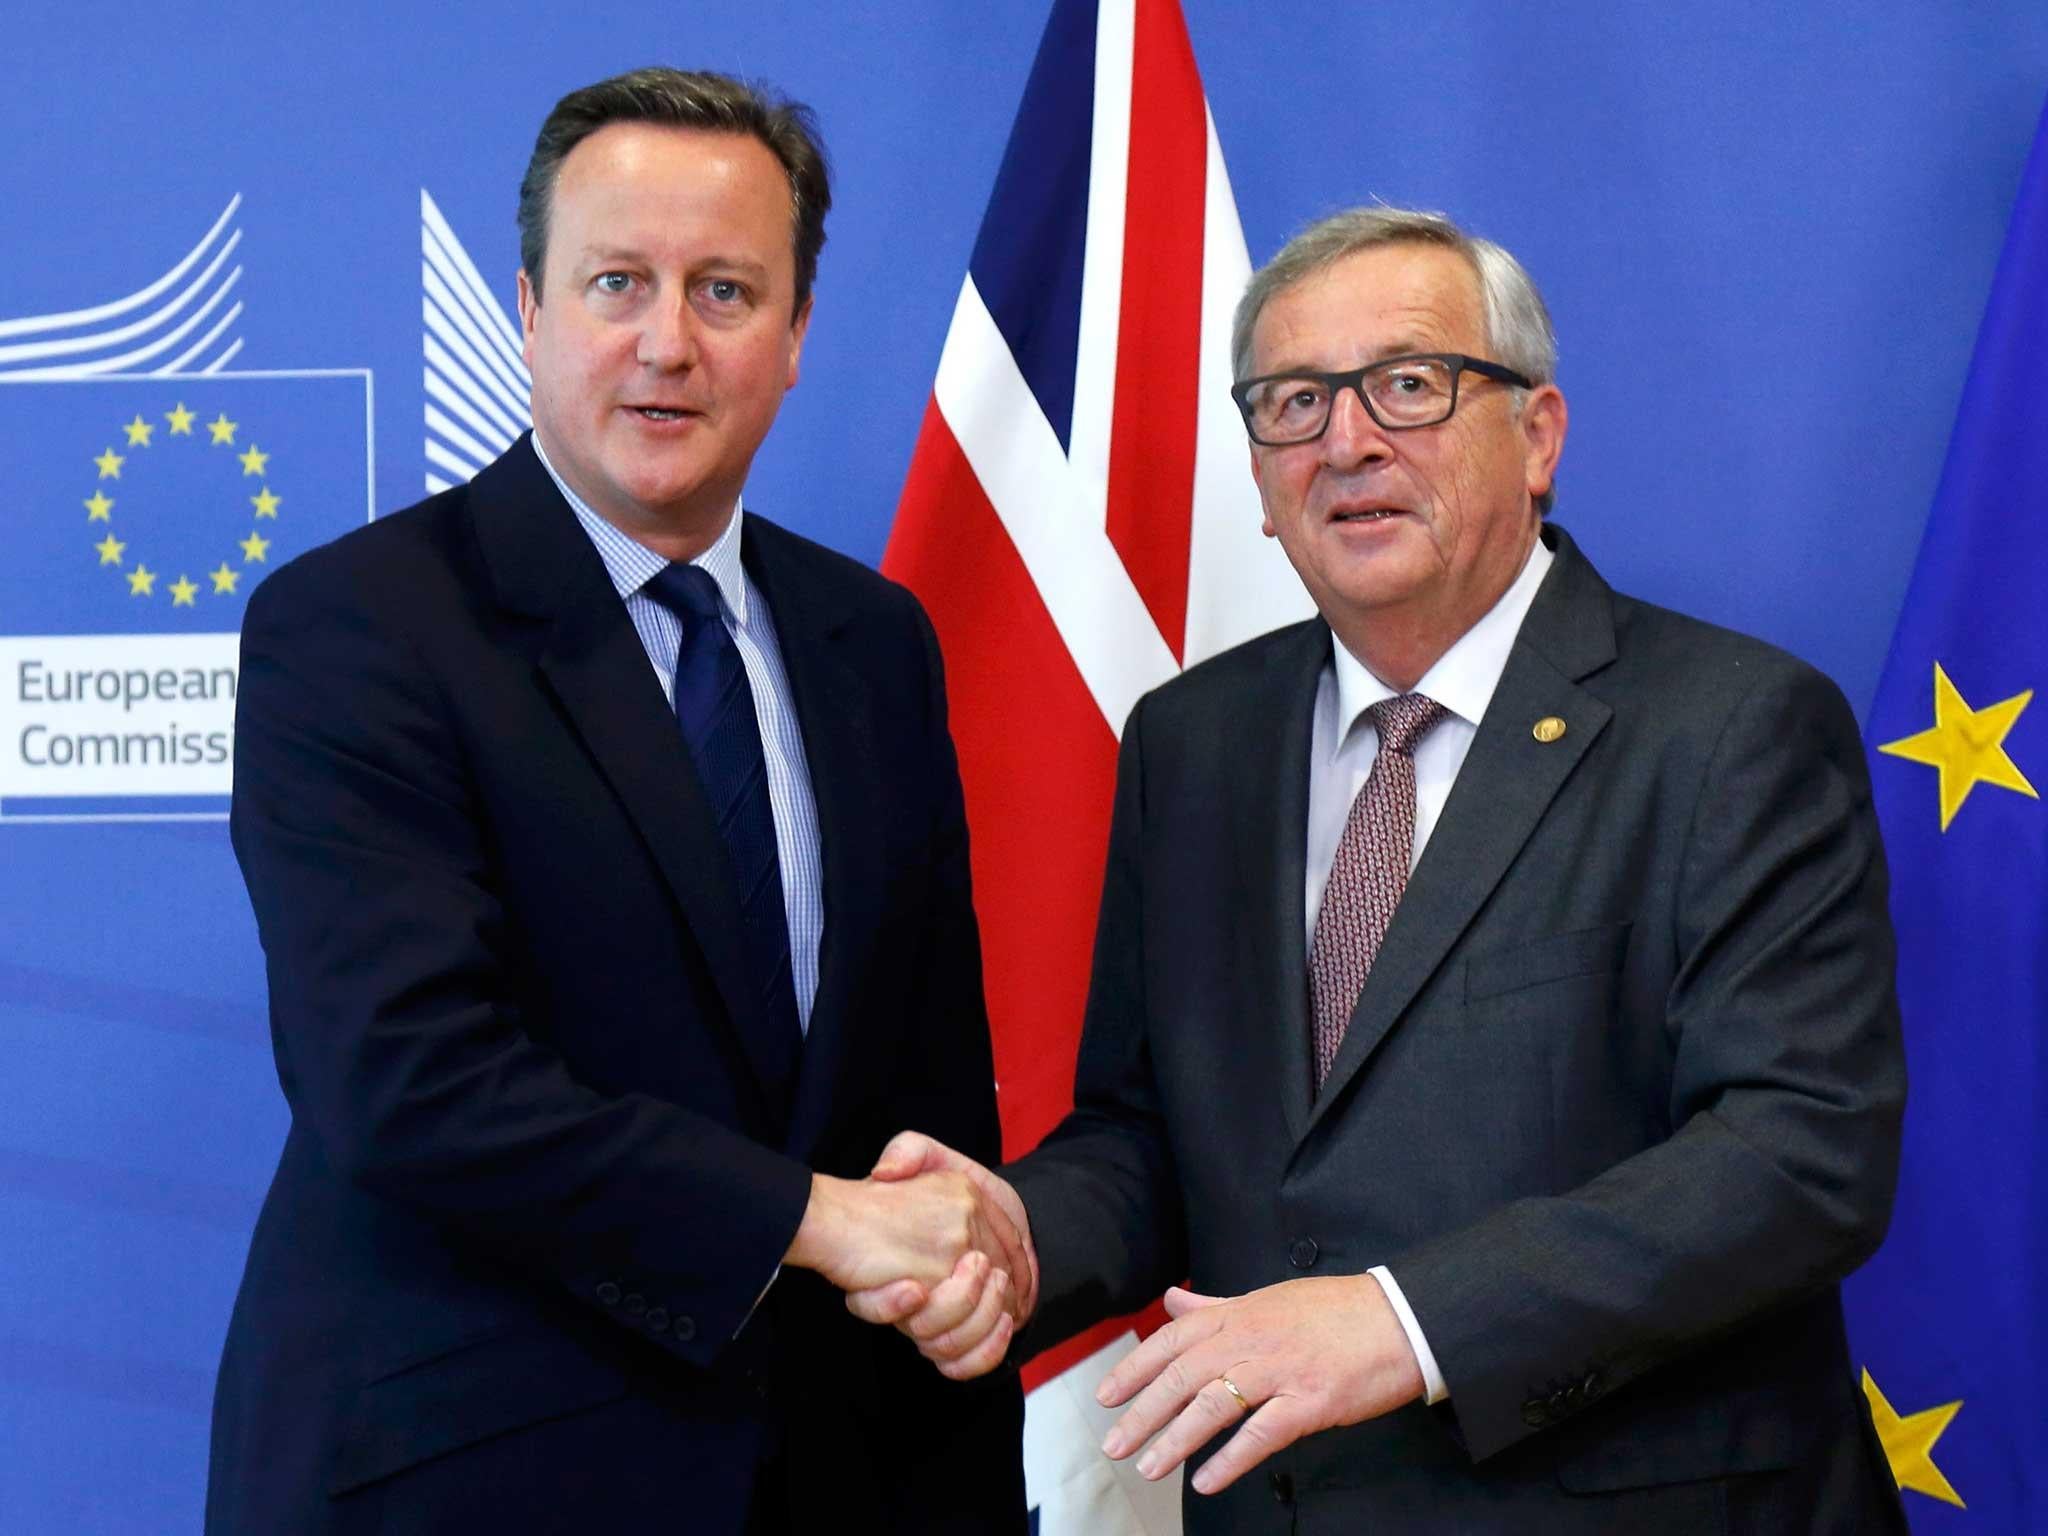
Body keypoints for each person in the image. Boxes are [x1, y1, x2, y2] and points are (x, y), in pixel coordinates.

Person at [853, 207, 1911, 1533]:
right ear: (1256, 471)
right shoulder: (1193, 742)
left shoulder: (1731, 725)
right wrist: (1009, 1236)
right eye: (1294, 402)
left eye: (1409, 384)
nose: (1345, 440)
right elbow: (1152, 1134)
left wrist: (1402, 1324)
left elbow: (1799, 1150)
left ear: (1538, 436)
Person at [207, 67, 1026, 1536]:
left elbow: (924, 1075)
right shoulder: (364, 624)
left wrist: (962, 1259)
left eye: (724, 291)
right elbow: (406, 1080)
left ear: (795, 338)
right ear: (528, 309)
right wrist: (819, 1222)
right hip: (482, 1472)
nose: (667, 345)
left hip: (847, 1472)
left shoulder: (873, 640)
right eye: (615, 284)